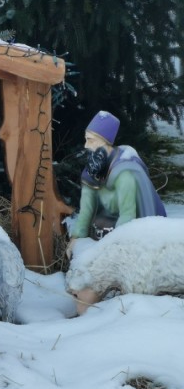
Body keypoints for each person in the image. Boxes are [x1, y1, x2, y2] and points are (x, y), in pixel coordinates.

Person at [67, 110, 167, 313]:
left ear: (106, 142)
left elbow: (128, 217)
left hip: (127, 234)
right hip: (104, 230)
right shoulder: (94, 168)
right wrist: (77, 236)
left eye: (91, 140)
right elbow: (87, 207)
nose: (86, 146)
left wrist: (107, 254)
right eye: (86, 140)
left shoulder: (125, 173)